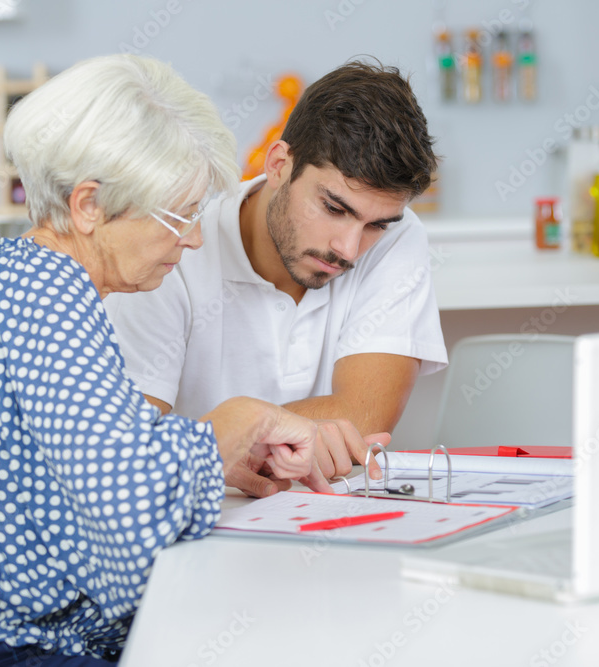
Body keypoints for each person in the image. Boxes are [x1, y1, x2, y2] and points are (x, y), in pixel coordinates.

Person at [0, 54, 350, 666]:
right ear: (88, 205)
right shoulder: (42, 292)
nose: (193, 238)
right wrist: (238, 423)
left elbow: (92, 473)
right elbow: (125, 509)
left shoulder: (13, 276)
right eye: (180, 214)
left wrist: (207, 456)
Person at [104, 61, 449, 494]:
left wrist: (230, 440)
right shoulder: (176, 248)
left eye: (375, 224)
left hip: (326, 522)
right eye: (333, 208)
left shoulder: (397, 236)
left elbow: (363, 416)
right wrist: (233, 440)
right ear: (279, 164)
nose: (348, 248)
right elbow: (126, 446)